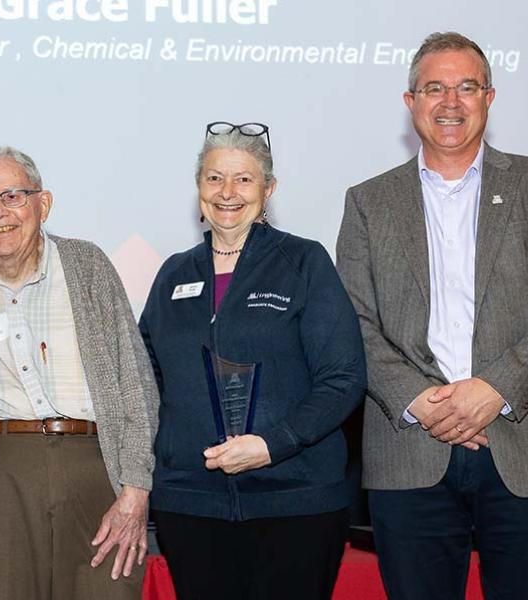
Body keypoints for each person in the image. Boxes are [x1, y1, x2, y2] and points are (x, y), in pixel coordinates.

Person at [335, 31, 528, 600]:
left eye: (466, 87)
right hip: (409, 449)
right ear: (411, 103)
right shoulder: (367, 201)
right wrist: (420, 400)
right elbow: (352, 319)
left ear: (489, 97)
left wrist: (493, 389)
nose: (450, 102)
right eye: (434, 88)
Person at [138, 122, 366, 600]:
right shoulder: (174, 273)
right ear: (198, 187)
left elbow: (342, 378)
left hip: (295, 500)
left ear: (269, 189)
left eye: (243, 178)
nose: (227, 192)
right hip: (191, 502)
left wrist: (273, 444)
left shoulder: (304, 262)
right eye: (214, 177)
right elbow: (146, 377)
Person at [0, 146, 157, 600]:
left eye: (13, 196)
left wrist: (135, 489)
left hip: (96, 468)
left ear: (42, 204)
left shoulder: (88, 265)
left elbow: (136, 385)